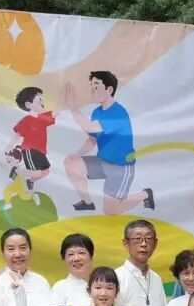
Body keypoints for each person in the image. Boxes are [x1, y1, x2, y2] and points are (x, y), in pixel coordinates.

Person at [62, 71, 154, 215]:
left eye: (97, 86)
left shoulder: (118, 113)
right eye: (92, 87)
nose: (93, 90)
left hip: (120, 167)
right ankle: (87, 203)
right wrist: (77, 155)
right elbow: (92, 139)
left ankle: (145, 194)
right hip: (102, 161)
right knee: (71, 163)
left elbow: (88, 127)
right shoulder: (97, 112)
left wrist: (73, 107)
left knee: (111, 211)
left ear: (109, 89)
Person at [115, 219, 167, 306]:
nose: (143, 244)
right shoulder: (116, 277)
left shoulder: (156, 279)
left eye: (148, 239)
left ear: (155, 244)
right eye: (137, 239)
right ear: (126, 243)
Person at [50, 233, 95, 306]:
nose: (76, 258)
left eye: (81, 253)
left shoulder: (103, 284)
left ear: (91, 256)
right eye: (71, 254)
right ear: (64, 259)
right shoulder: (60, 288)